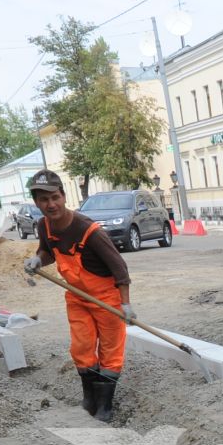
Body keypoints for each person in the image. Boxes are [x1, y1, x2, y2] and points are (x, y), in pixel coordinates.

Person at [24, 170, 133, 422]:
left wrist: (125, 304)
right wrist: (38, 260)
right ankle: (89, 399)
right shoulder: (44, 225)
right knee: (81, 347)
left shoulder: (90, 231)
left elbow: (120, 269)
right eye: (43, 200)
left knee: (110, 350)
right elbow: (48, 250)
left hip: (107, 298)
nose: (50, 205)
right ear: (36, 202)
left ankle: (105, 406)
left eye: (54, 197)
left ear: (63, 195)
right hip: (76, 296)